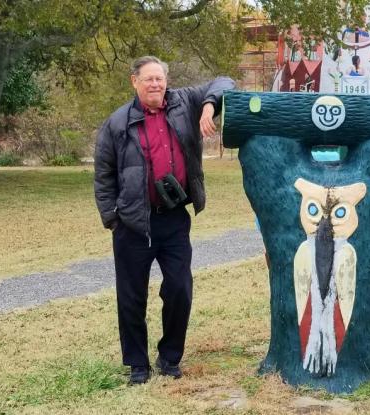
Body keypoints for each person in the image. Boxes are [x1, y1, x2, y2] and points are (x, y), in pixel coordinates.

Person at [94, 56, 235, 385]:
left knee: (180, 289)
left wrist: (209, 107)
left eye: (160, 78)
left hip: (173, 219)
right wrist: (113, 219)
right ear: (134, 82)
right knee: (131, 296)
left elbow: (225, 81)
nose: (155, 84)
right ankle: (137, 364)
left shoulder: (185, 102)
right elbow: (103, 175)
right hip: (132, 224)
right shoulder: (117, 123)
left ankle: (170, 357)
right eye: (148, 79)